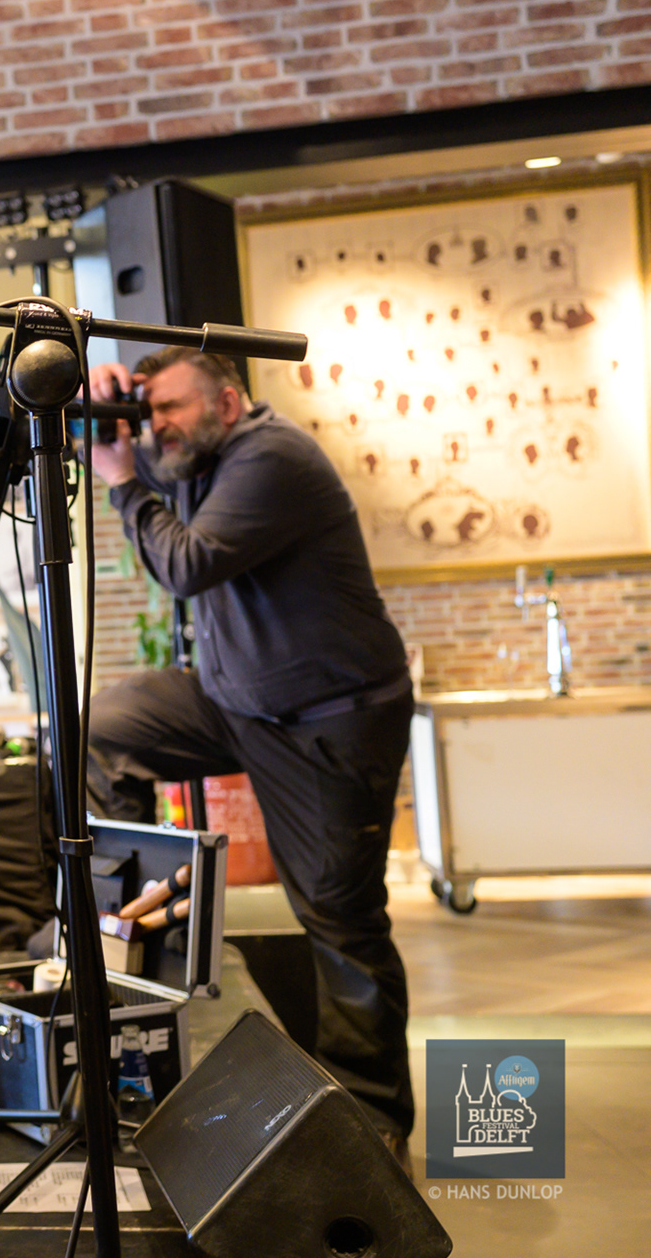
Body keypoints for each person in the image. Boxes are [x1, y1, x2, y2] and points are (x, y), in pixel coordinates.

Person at [83, 346, 417, 1158]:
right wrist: (107, 414)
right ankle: (135, 911)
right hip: (240, 703)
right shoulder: (196, 456)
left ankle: (372, 1121)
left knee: (339, 915)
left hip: (329, 721)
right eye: (149, 410)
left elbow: (186, 563)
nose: (158, 424)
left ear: (227, 403)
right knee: (105, 726)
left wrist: (120, 479)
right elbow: (140, 465)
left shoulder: (271, 457)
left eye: (171, 407)